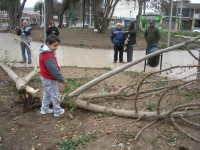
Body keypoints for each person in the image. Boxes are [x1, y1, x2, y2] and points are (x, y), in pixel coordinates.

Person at [39, 34, 66, 117]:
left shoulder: (44, 53)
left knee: (47, 93)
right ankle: (57, 111)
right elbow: (53, 70)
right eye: (54, 45)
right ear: (48, 44)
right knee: (55, 95)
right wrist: (62, 79)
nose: (56, 47)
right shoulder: (48, 55)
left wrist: (57, 66)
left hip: (44, 77)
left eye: (57, 45)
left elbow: (51, 66)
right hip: (49, 78)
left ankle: (44, 109)